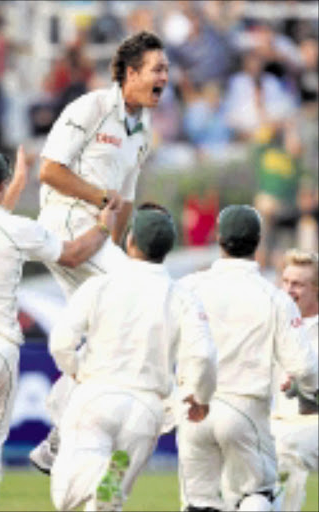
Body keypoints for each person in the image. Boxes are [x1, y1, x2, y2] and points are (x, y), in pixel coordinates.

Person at [0, 146, 116, 512]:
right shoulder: (16, 229)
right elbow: (75, 253)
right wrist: (104, 223)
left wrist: (15, 182)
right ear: (0, 186)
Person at [30, 30, 169, 472]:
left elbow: (124, 201)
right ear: (130, 74)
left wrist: (114, 241)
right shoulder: (91, 107)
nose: (165, 78)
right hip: (63, 224)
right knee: (139, 299)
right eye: (157, 70)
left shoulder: (143, 131)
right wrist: (97, 201)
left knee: (111, 333)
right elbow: (49, 170)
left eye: (166, 69)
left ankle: (58, 438)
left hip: (94, 235)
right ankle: (63, 431)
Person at [49, 204, 217, 511]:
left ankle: (98, 474)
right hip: (147, 410)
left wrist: (73, 370)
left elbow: (61, 342)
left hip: (97, 394)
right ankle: (104, 477)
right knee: (107, 504)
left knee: (65, 496)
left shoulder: (100, 285)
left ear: (130, 242)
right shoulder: (183, 296)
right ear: (167, 249)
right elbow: (204, 355)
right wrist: (201, 397)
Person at [176, 205, 318, 512]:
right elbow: (304, 366)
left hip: (192, 408)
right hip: (244, 409)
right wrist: (310, 393)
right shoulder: (274, 297)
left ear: (219, 238)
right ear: (258, 240)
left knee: (199, 503)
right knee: (257, 494)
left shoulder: (189, 286)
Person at [271, 249, 318, 512]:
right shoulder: (274, 323)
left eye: (298, 284)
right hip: (278, 422)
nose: (289, 290)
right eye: (286, 282)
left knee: (285, 448)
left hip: (311, 422)